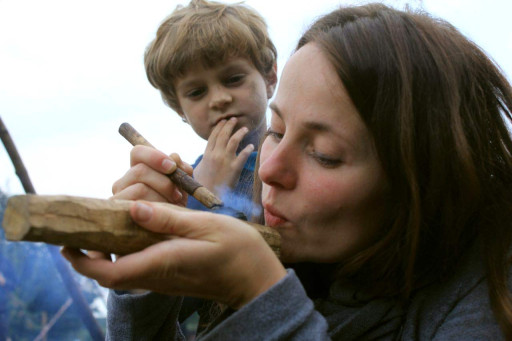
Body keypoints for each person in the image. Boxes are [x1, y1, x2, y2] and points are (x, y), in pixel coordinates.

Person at [62, 3, 512, 339]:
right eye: (276, 131)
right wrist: (147, 287)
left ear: (423, 175)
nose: (269, 170)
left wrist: (263, 297)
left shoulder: (488, 298)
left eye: (325, 154)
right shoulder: (319, 256)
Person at [119, 0, 277, 219]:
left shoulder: (295, 165)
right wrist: (204, 193)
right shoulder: (177, 191)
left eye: (233, 79)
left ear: (270, 78)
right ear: (179, 109)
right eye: (196, 92)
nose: (219, 99)